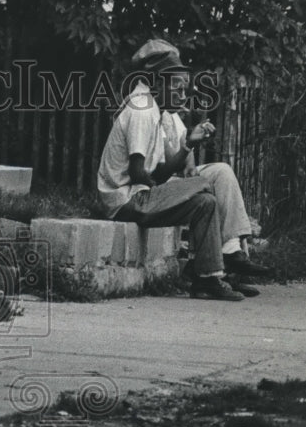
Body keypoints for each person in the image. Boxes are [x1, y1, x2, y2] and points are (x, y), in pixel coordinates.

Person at [96, 39, 271, 301]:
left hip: (139, 196)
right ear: (157, 83)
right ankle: (227, 257)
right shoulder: (142, 110)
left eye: (183, 87)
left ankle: (206, 279)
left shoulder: (155, 110)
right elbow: (136, 173)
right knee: (204, 185)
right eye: (176, 86)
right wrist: (165, 191)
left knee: (205, 202)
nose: (182, 93)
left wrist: (188, 144)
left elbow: (159, 173)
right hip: (125, 201)